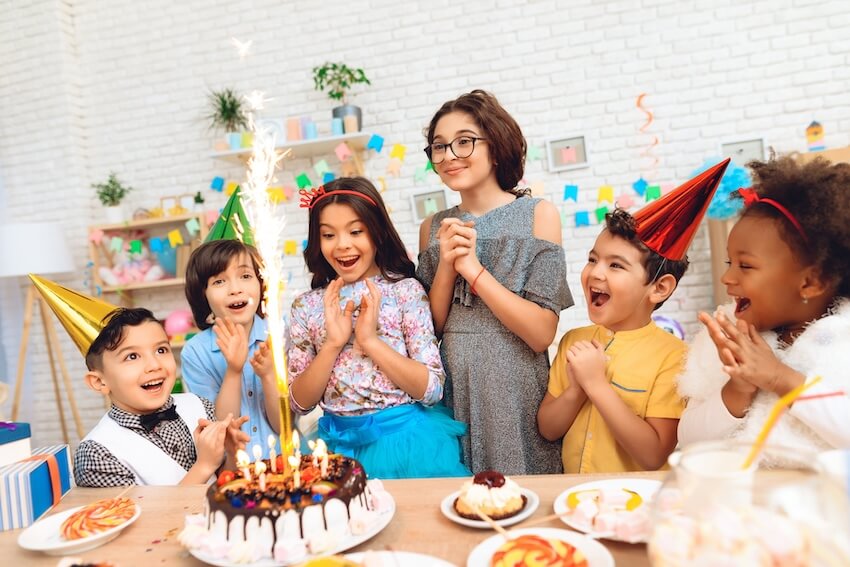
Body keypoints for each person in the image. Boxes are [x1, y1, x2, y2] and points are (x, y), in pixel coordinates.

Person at [416, 90, 573, 474]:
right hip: (454, 380)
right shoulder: (432, 227)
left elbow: (541, 333)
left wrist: (473, 270)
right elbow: (428, 330)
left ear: (496, 144)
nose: (449, 155)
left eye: (464, 142)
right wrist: (446, 266)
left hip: (515, 381)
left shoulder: (538, 214)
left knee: (522, 497)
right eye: (439, 146)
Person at [538, 160, 729, 473]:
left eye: (616, 265)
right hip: (575, 496)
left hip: (635, 502)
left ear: (659, 288)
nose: (595, 272)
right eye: (592, 259)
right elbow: (548, 428)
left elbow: (654, 455)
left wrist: (596, 385)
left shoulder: (675, 358)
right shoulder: (574, 341)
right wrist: (576, 388)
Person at [288, 177, 469, 479]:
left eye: (356, 231)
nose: (343, 244)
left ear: (378, 232)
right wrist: (333, 344)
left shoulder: (405, 293)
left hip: (407, 447)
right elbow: (299, 402)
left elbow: (432, 388)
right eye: (329, 235)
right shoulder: (307, 306)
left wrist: (370, 341)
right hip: (335, 454)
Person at [678, 156, 850, 452]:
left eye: (745, 266)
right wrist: (738, 389)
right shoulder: (727, 339)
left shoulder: (842, 342)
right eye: (730, 262)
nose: (726, 277)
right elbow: (687, 440)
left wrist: (780, 378)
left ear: (810, 283)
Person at [182, 239, 281, 457]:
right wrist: (234, 370)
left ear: (260, 283)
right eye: (219, 281)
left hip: (287, 462)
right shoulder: (195, 352)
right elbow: (221, 429)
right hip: (234, 469)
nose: (235, 289)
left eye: (245, 276)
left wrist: (268, 376)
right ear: (203, 294)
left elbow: (284, 426)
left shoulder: (281, 336)